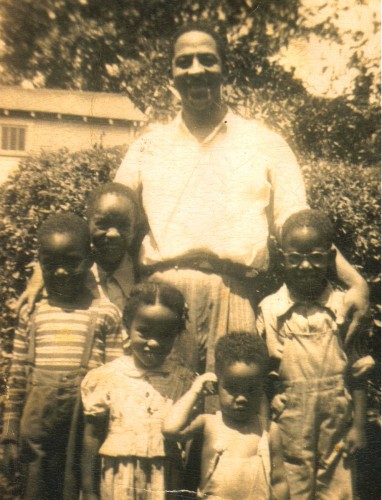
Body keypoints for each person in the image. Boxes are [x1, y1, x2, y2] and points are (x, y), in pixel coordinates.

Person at [114, 22, 370, 374]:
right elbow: (111, 221)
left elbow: (295, 225)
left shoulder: (265, 143)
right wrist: (41, 272)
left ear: (225, 70)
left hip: (236, 296)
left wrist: (355, 282)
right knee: (160, 415)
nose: (196, 70)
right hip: (162, 300)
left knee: (232, 419)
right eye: (184, 62)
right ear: (170, 75)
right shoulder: (147, 146)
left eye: (207, 60)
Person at [1, 213, 123, 500]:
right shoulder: (33, 313)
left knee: (82, 488)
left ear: (90, 261)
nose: (60, 272)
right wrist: (9, 432)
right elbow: (17, 376)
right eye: (51, 264)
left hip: (87, 430)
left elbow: (117, 380)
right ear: (41, 265)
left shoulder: (105, 314)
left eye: (71, 262)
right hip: (37, 430)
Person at [256, 209, 371, 499]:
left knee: (338, 491)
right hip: (291, 421)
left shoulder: (345, 307)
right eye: (294, 258)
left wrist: (358, 425)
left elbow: (358, 372)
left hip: (337, 422)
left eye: (316, 257)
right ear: (283, 257)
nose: (305, 266)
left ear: (331, 258)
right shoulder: (270, 309)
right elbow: (263, 375)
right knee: (292, 489)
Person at [80, 282, 195, 500]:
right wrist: (89, 490)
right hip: (117, 479)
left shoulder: (183, 381)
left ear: (177, 335)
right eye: (144, 332)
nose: (153, 342)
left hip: (165, 481)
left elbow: (191, 442)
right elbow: (92, 435)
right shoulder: (107, 377)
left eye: (165, 335)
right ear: (127, 327)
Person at [162, 332, 289, 500]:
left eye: (251, 389)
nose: (242, 397)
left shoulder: (268, 430)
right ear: (217, 384)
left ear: (262, 386)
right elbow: (171, 429)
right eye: (232, 388)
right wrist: (195, 390)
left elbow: (279, 481)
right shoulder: (209, 424)